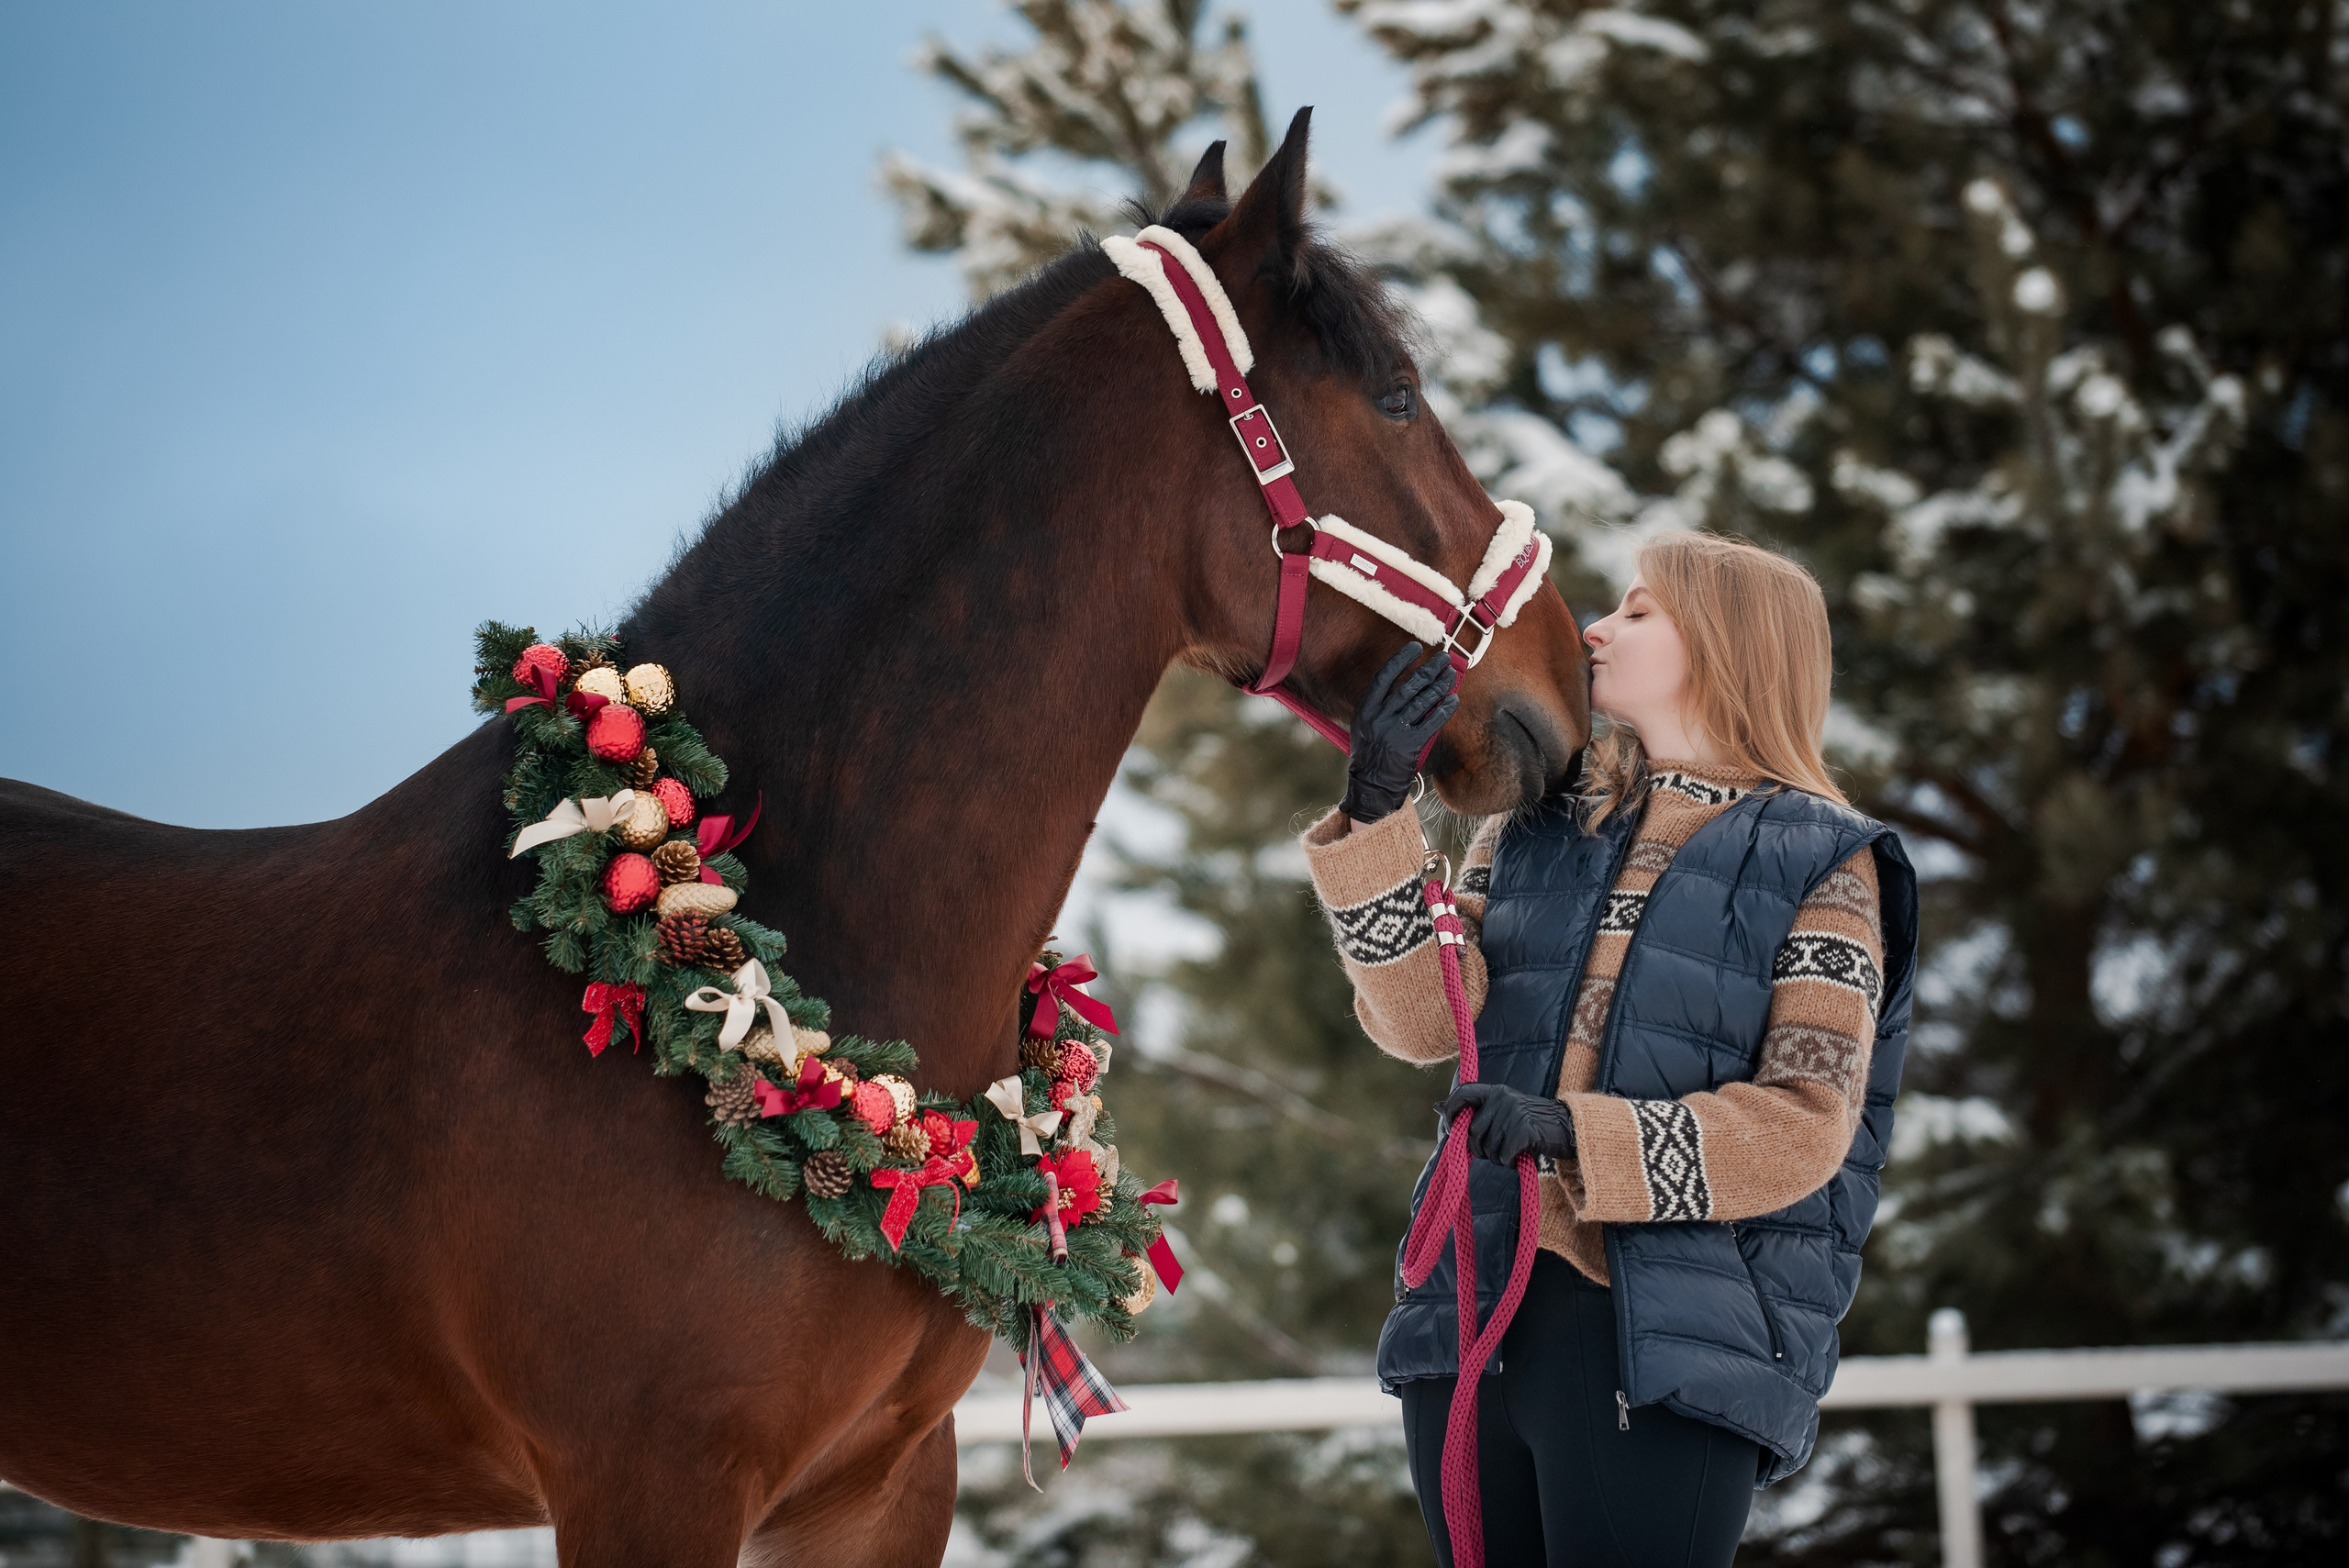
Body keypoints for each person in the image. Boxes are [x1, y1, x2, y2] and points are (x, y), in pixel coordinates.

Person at [1303, 531, 1918, 1567]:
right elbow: (1423, 1021)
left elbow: (1804, 1126)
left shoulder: (1827, 861)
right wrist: (1373, 817)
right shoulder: (1538, 825)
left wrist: (1574, 1132)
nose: (1596, 627)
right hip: (1473, 1315)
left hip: (1662, 1338)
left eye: (1639, 609)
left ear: (1729, 643)